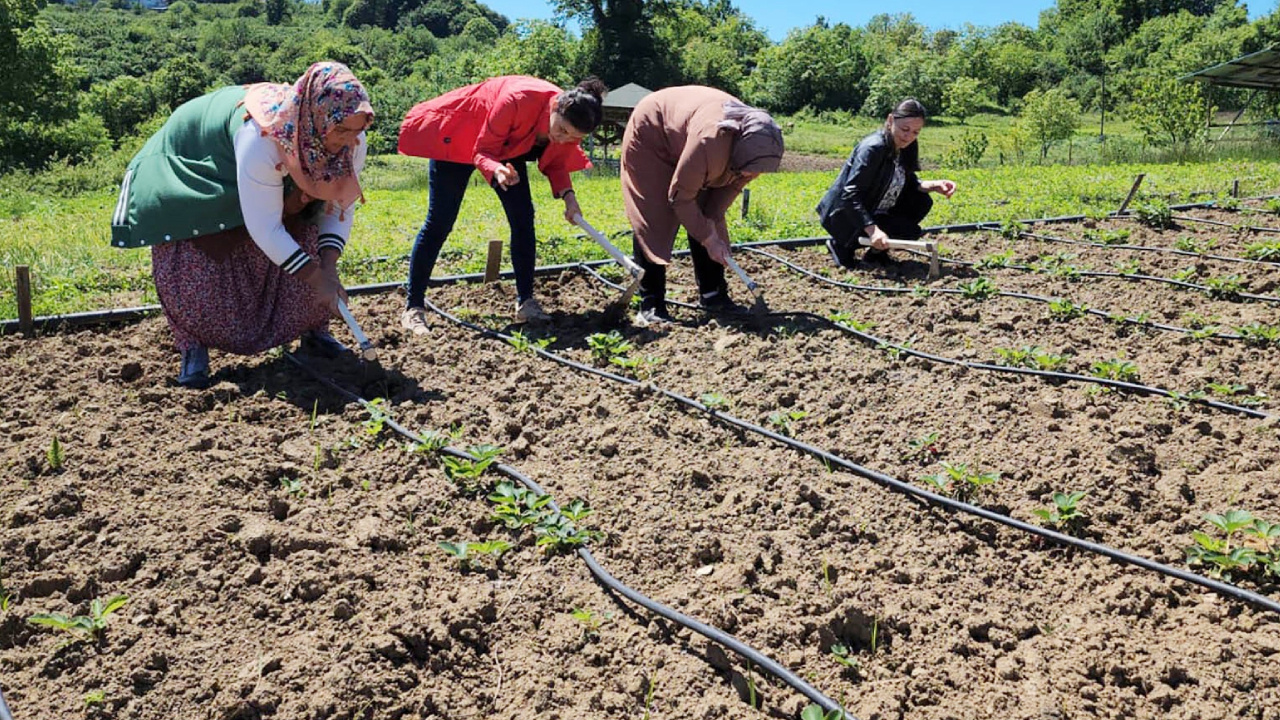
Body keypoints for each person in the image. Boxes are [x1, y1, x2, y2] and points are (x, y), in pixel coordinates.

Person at [110, 61, 374, 388]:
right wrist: (315, 277)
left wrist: (329, 270)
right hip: (197, 166)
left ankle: (314, 333)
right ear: (317, 118)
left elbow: (337, 206)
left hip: (254, 169)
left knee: (304, 229)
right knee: (202, 251)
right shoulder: (263, 136)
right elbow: (264, 227)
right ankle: (193, 348)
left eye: (357, 130)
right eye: (342, 131)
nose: (349, 140)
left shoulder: (353, 143)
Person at [397, 76, 607, 331]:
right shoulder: (518, 100)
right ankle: (414, 307)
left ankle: (526, 302)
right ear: (556, 107)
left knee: (523, 218)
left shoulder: (570, 123)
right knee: (439, 222)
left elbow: (556, 162)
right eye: (561, 130)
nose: (562, 139)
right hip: (461, 134)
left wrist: (570, 199)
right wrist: (496, 170)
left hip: (509, 146)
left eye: (572, 138)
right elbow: (482, 150)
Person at [620, 86, 784, 327]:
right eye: (750, 169)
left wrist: (712, 228)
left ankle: (713, 295)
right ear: (738, 151)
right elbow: (681, 197)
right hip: (653, 133)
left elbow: (722, 197)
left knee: (708, 216)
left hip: (693, 138)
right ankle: (651, 304)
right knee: (654, 217)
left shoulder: (754, 147)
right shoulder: (710, 142)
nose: (753, 175)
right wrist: (708, 238)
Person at [816, 98, 956, 268]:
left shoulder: (905, 146)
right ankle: (841, 244)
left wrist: (934, 185)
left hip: (877, 209)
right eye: (905, 129)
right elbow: (850, 194)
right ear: (890, 120)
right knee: (851, 256)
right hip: (845, 215)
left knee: (920, 205)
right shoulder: (873, 149)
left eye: (915, 132)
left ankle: (876, 253)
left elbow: (905, 181)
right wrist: (872, 229)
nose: (909, 136)